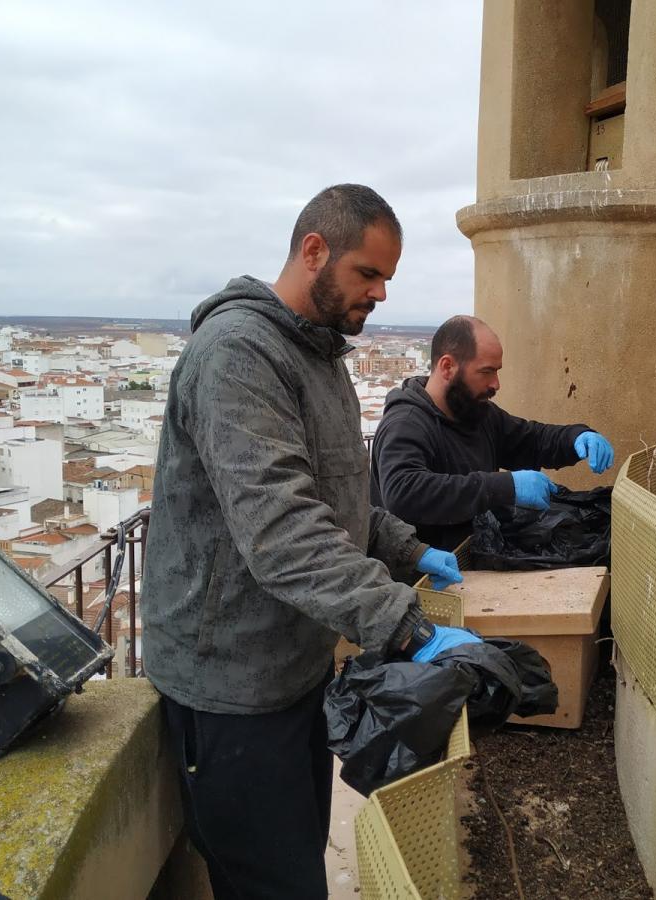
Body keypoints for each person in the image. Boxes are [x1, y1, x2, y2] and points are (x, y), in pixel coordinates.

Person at [140, 184, 479, 900]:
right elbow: (283, 530)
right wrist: (405, 625)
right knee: (273, 885)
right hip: (230, 691)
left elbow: (339, 493)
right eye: (369, 273)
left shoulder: (319, 357)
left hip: (293, 672)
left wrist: (410, 550)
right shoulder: (238, 354)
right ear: (314, 250)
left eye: (389, 278)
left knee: (297, 870)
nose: (382, 293)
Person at [369, 315, 615, 551]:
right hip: (423, 578)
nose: (496, 384)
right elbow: (404, 493)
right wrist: (504, 487)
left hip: (475, 557)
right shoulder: (406, 423)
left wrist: (576, 438)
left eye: (497, 371)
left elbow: (531, 439)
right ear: (447, 367)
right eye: (486, 372)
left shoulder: (477, 413)